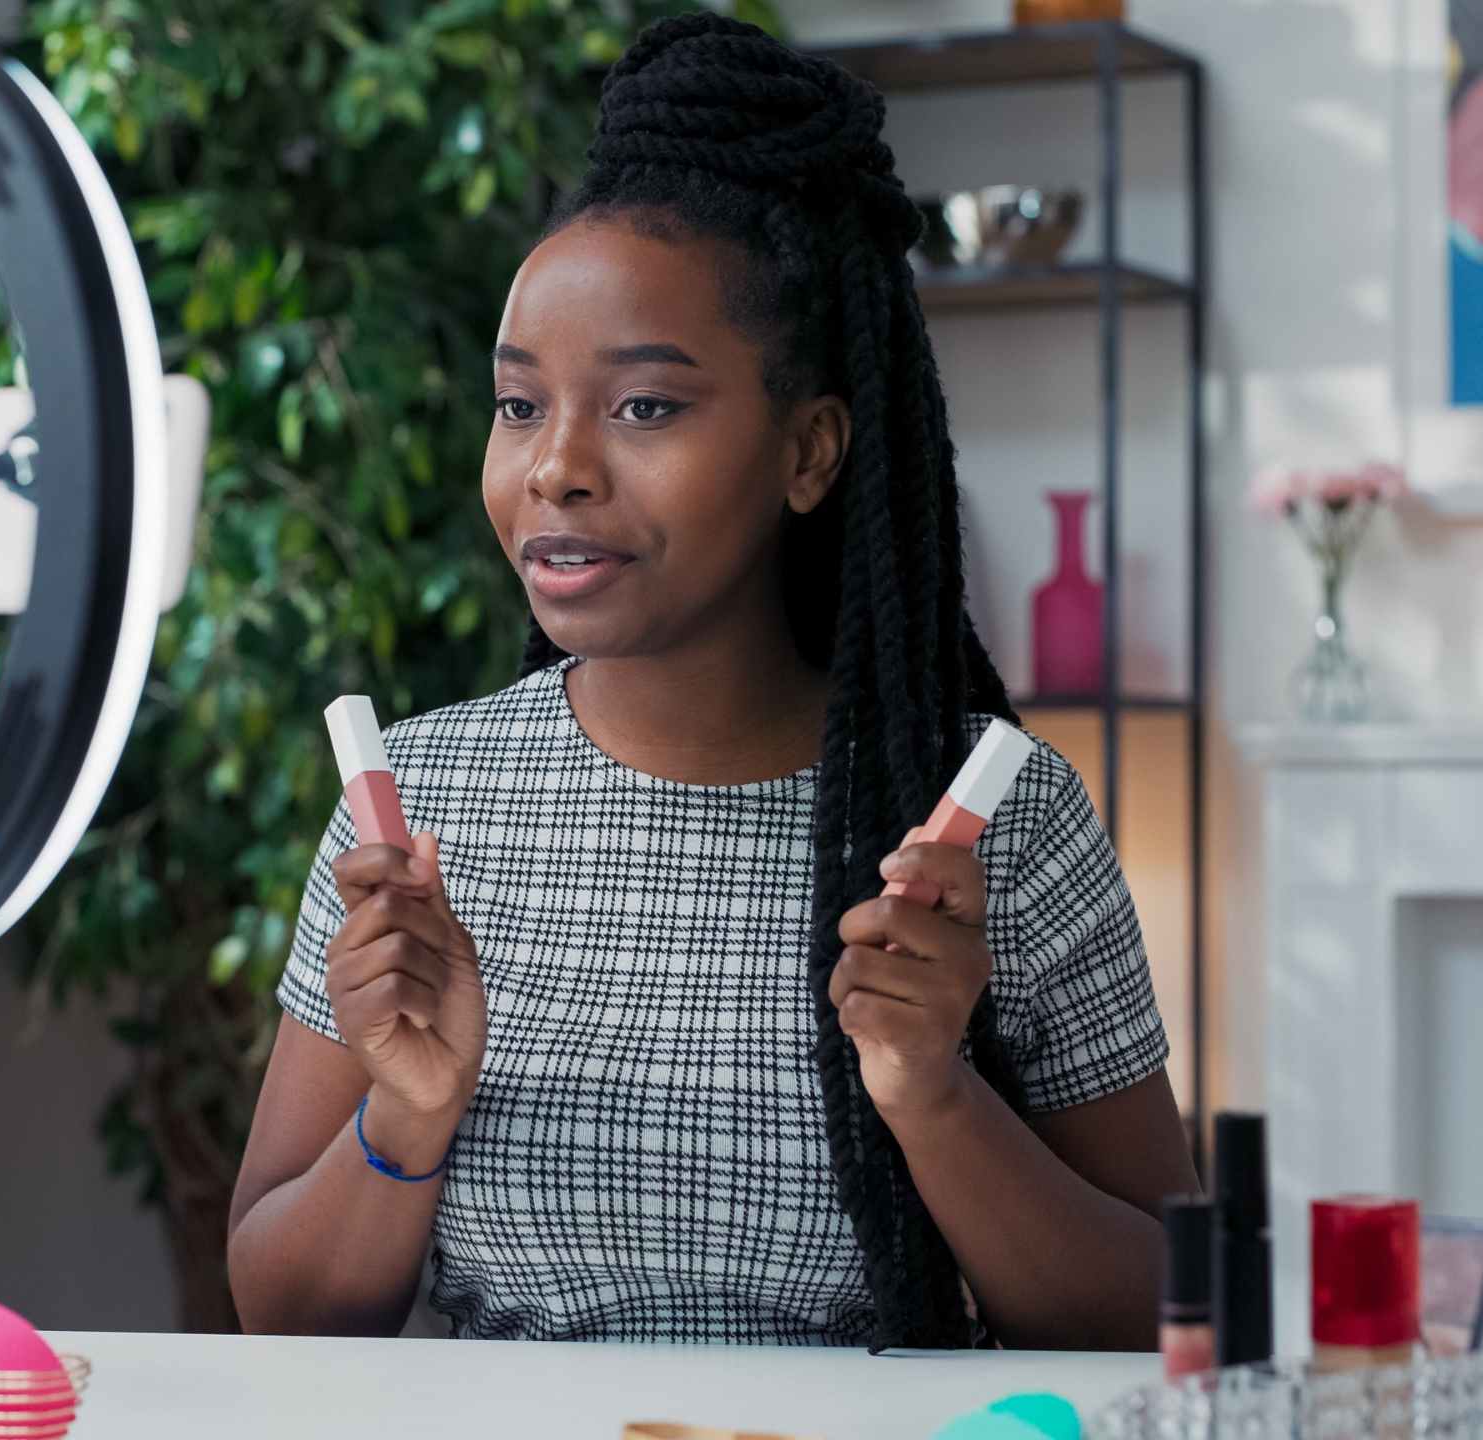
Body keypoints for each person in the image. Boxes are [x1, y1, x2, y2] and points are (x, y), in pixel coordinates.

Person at [225, 13, 1198, 1350]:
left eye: (643, 408)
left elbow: (1163, 1315)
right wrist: (407, 1110)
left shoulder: (988, 823)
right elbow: (279, 1313)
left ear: (809, 452)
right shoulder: (419, 807)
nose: (556, 466)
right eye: (520, 406)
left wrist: (931, 1095)